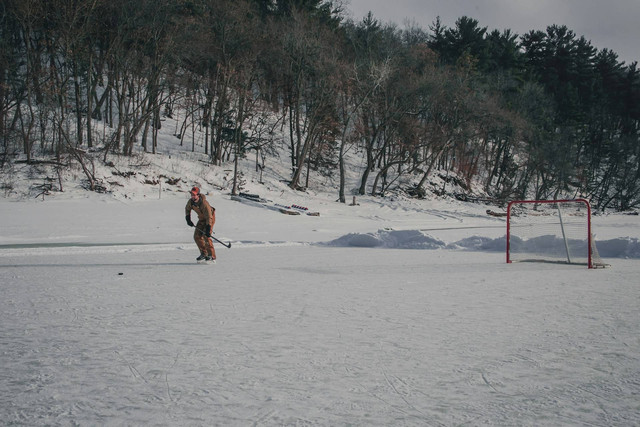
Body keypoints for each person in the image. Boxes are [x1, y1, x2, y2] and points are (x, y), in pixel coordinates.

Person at [185, 186, 216, 262]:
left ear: (198, 195)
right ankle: (204, 253)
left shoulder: (204, 203)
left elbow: (209, 216)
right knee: (197, 236)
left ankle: (211, 255)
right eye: (192, 194)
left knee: (206, 235)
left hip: (210, 218)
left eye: (194, 194)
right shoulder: (191, 202)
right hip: (202, 219)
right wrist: (188, 218)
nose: (192, 196)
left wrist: (208, 227)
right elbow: (187, 209)